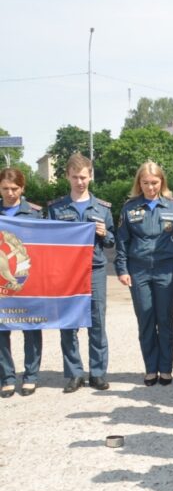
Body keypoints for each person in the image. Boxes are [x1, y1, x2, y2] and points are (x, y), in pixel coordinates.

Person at [115, 161, 173, 386]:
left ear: (161, 182)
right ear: (139, 183)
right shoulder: (129, 208)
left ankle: (165, 368)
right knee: (146, 318)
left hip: (166, 270)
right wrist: (122, 269)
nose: (150, 187)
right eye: (145, 183)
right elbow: (122, 241)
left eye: (154, 182)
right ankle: (150, 368)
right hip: (138, 270)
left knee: (165, 318)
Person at [47, 154, 115, 393]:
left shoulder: (103, 208)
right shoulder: (56, 208)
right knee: (68, 324)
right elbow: (49, 243)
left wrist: (105, 233)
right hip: (66, 273)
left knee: (97, 323)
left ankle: (98, 373)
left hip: (95, 270)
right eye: (75, 177)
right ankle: (74, 374)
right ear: (67, 176)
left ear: (91, 176)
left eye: (84, 177)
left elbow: (112, 241)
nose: (80, 182)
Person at [0, 168, 43, 397]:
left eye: (14, 188)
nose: (10, 193)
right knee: (1, 329)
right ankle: (7, 377)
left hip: (28, 277)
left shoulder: (35, 214)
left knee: (31, 326)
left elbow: (46, 247)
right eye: (5, 188)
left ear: (23, 188)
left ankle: (31, 376)